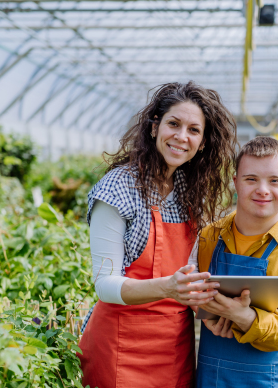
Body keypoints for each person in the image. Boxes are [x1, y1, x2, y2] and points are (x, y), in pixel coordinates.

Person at [78, 81, 237, 388]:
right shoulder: (119, 188)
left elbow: (188, 275)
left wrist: (217, 311)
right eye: (173, 124)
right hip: (121, 348)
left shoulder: (188, 192)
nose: (181, 137)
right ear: (154, 128)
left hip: (174, 348)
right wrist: (169, 287)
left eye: (194, 130)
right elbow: (105, 285)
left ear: (203, 143)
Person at [196, 136, 278, 387]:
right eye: (251, 179)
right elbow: (187, 286)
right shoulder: (208, 237)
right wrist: (206, 312)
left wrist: (245, 318)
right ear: (235, 183)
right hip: (215, 376)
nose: (263, 189)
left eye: (274, 181)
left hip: (276, 379)